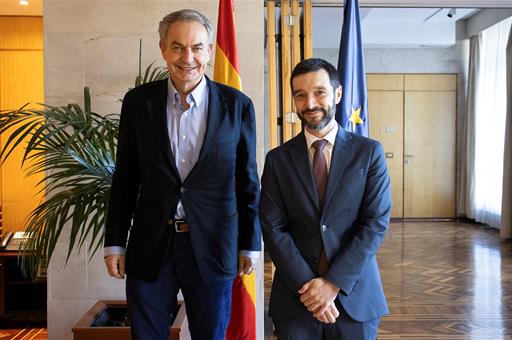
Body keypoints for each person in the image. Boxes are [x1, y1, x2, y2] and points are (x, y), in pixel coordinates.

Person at [103, 9, 261, 340]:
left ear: (208, 50)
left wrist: (250, 243)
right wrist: (115, 242)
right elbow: (126, 178)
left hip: (214, 245)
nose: (187, 57)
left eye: (196, 47)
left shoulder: (237, 105)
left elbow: (247, 181)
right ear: (163, 49)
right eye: (177, 47)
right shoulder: (138, 102)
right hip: (151, 246)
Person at [260, 58, 391, 340]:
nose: (310, 103)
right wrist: (310, 289)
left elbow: (375, 223)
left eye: (319, 92)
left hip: (354, 297)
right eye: (300, 95)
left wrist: (332, 284)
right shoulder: (277, 160)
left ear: (338, 94)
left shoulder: (369, 154)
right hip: (296, 301)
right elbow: (273, 228)